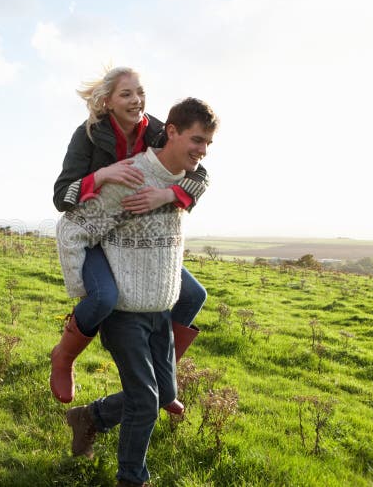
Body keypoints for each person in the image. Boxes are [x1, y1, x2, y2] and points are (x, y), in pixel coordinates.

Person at [61, 97, 220, 486]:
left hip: (161, 311)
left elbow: (202, 180)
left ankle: (90, 417)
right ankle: (131, 479)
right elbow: (71, 228)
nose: (201, 152)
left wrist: (169, 195)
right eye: (196, 140)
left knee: (164, 392)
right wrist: (86, 291)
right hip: (125, 313)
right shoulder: (131, 177)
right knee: (146, 402)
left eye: (208, 144)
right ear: (171, 131)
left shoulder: (185, 180)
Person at [50, 66, 207, 403]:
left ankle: (161, 372)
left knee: (193, 295)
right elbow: (62, 196)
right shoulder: (88, 135)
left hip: (136, 238)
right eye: (126, 94)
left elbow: (200, 174)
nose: (137, 100)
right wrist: (102, 174)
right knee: (104, 297)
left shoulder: (156, 130)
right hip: (96, 230)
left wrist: (168, 195)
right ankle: (63, 356)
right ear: (107, 102)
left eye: (140, 92)